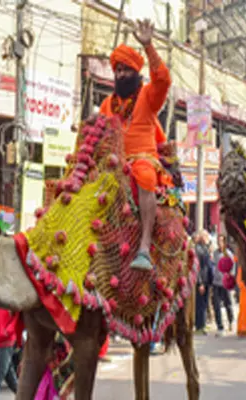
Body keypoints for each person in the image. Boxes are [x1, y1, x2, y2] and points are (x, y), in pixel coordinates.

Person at [99, 18, 172, 271]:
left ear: (136, 73)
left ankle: (144, 246)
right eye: (117, 70)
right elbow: (100, 131)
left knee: (144, 175)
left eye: (125, 70)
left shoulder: (148, 95)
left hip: (143, 157)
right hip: (114, 161)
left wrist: (149, 46)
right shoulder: (108, 104)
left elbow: (163, 79)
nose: (120, 74)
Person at [0, 309, 21, 400]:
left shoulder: (12, 301)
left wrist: (8, 332)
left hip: (7, 342)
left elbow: (17, 318)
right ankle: (25, 396)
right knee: (10, 377)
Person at [211, 234, 234, 336]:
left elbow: (233, 268)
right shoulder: (215, 253)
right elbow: (213, 266)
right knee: (216, 304)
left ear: (225, 243)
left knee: (228, 303)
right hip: (216, 282)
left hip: (225, 283)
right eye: (218, 241)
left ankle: (231, 320)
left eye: (221, 241)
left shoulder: (228, 254)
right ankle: (220, 326)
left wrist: (230, 279)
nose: (219, 243)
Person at [194, 231, 213, 335]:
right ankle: (199, 326)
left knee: (205, 304)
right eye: (206, 236)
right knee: (200, 304)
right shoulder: (198, 249)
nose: (207, 238)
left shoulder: (205, 248)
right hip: (201, 281)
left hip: (207, 280)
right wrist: (200, 282)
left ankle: (203, 323)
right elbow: (197, 268)